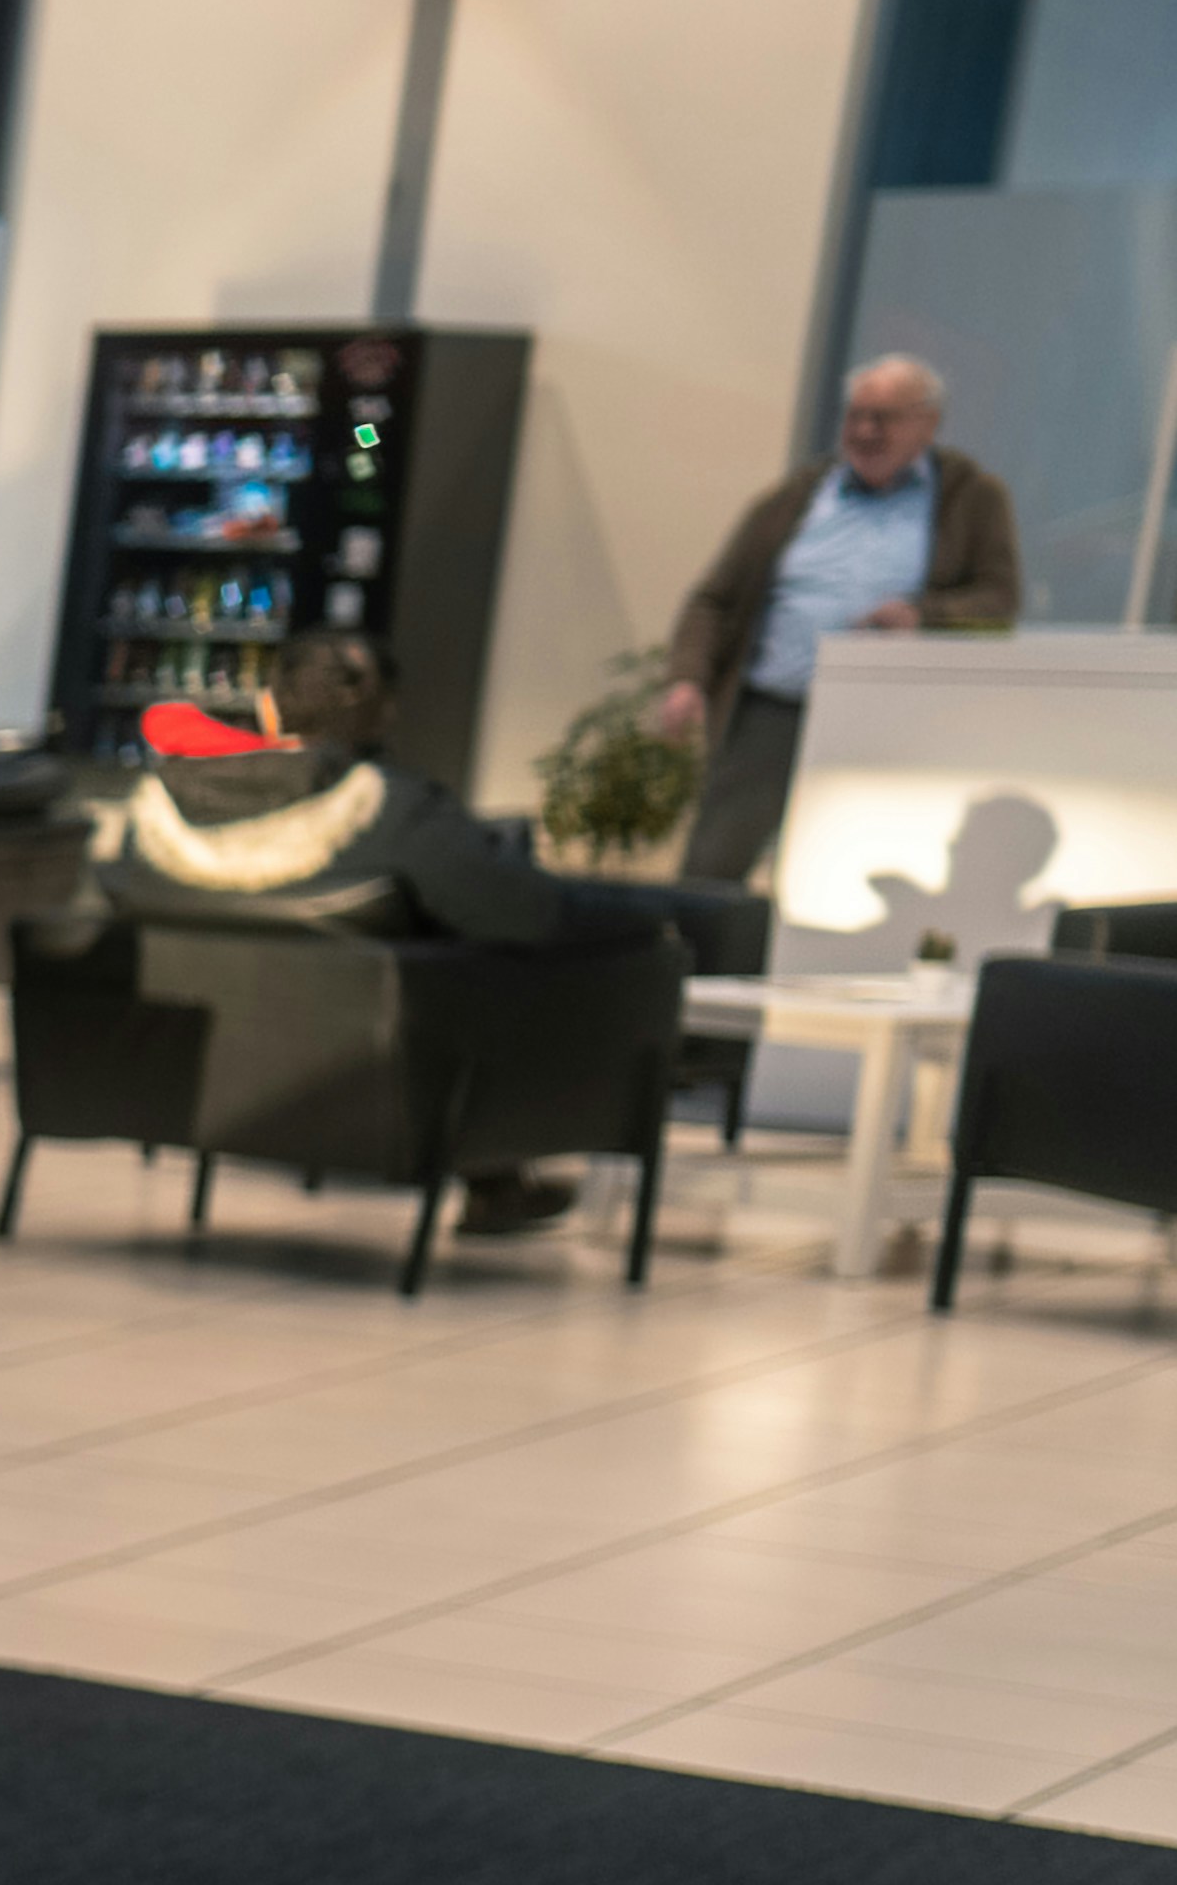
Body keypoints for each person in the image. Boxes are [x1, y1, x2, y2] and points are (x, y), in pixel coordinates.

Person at [108, 642, 587, 1231]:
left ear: (273, 703)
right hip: (362, 1077)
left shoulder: (160, 811)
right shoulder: (392, 809)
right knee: (484, 963)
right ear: (378, 708)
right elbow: (526, 915)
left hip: (188, 1077)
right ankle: (495, 1180)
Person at [652, 355, 1020, 894]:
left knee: (848, 882)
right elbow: (715, 599)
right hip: (773, 714)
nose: (865, 431)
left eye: (883, 418)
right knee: (712, 870)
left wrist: (922, 616)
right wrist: (688, 679)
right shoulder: (798, 495)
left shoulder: (970, 498)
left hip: (885, 724)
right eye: (856, 416)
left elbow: (998, 602)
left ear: (927, 424)